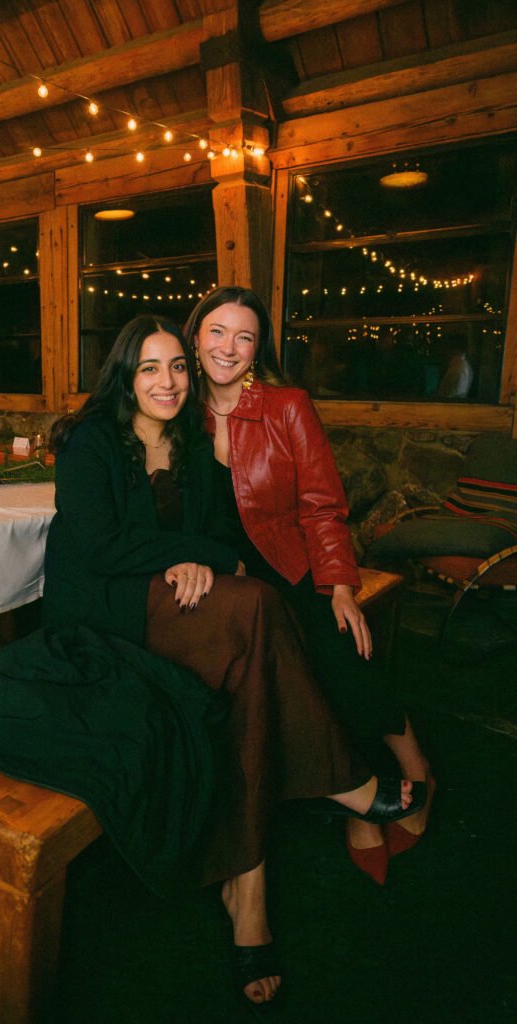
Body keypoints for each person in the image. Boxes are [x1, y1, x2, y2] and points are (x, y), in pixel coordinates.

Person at [42, 314, 424, 1004]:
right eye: (150, 368)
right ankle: (346, 782)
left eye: (177, 367)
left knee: (250, 660)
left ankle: (249, 892)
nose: (168, 381)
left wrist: (205, 555)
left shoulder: (191, 443)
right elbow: (100, 547)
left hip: (168, 604)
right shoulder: (89, 439)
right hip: (104, 616)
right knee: (251, 606)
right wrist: (202, 559)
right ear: (124, 375)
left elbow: (213, 528)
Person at [183, 288, 435, 887]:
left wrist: (341, 586)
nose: (229, 347)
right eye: (217, 332)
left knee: (339, 652)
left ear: (257, 349)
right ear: (194, 337)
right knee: (281, 682)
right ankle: (355, 798)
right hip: (226, 578)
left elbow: (322, 506)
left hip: (288, 564)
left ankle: (414, 767)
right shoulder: (174, 408)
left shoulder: (286, 405)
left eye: (244, 336)